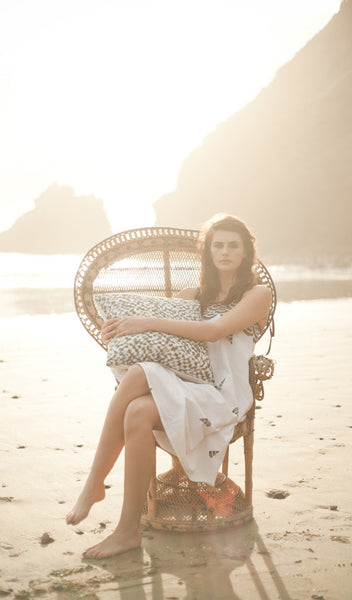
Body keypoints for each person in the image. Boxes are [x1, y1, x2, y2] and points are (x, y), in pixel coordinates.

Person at [66, 214, 272, 559]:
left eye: (232, 245)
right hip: (185, 382)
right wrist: (119, 330)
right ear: (207, 251)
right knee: (136, 410)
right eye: (217, 245)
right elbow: (160, 338)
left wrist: (143, 321)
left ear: (245, 252)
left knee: (137, 380)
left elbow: (214, 332)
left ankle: (95, 483)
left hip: (223, 394)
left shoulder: (257, 294)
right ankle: (127, 530)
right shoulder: (191, 295)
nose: (224, 251)